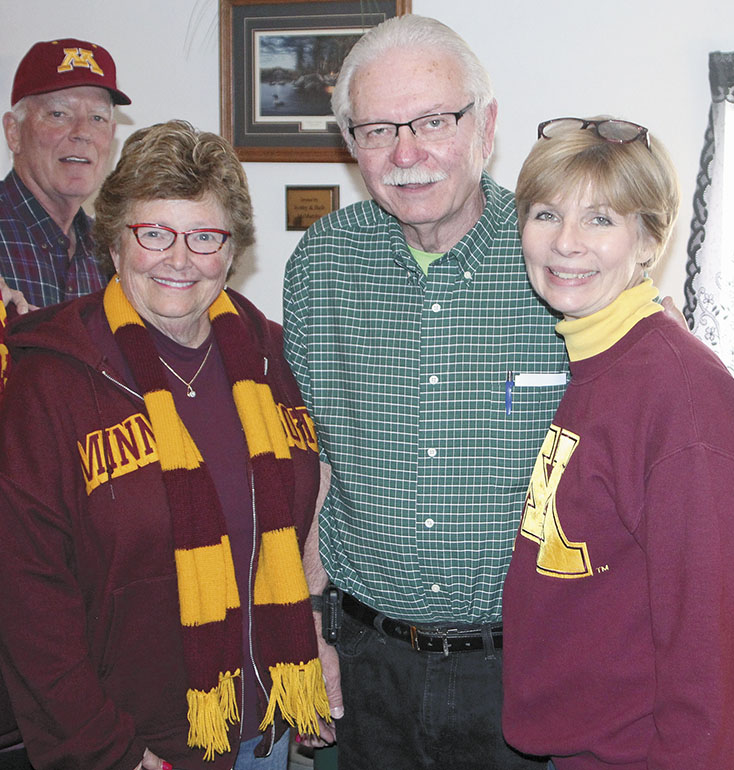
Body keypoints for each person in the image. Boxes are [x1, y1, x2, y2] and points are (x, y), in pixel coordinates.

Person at [283, 14, 569, 769]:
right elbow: (317, 463)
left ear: (487, 126)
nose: (407, 154)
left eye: (433, 121)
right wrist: (307, 624)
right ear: (352, 146)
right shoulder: (321, 265)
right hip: (368, 663)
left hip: (531, 667)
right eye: (377, 130)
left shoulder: (561, 256)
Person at [0, 120, 332, 770]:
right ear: (115, 243)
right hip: (135, 746)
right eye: (154, 233)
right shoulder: (51, 378)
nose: (180, 260)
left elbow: (305, 519)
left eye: (205, 236)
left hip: (267, 731)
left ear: (231, 250)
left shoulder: (272, 357)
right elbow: (28, 598)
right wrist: (112, 753)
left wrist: (318, 649)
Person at [499, 117, 734, 770]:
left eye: (600, 219)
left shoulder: (681, 400)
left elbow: (715, 650)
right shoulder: (602, 360)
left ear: (650, 240)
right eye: (545, 214)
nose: (566, 243)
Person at [0, 37, 128, 308]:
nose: (83, 133)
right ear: (14, 132)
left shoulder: (113, 253)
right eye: (59, 114)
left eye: (97, 118)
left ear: (112, 135)